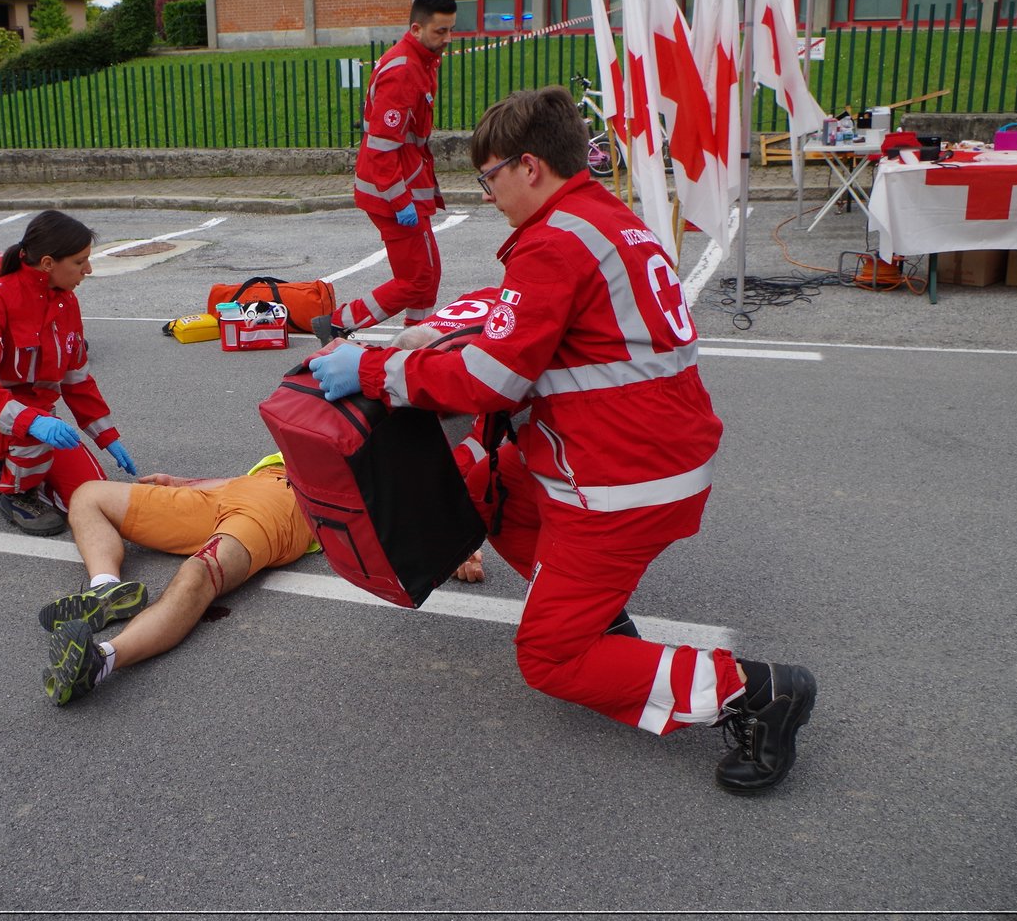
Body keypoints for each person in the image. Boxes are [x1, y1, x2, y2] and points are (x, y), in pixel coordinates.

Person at [308, 86, 817, 793]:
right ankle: (594, 615)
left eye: (488, 178)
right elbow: (523, 325)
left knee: (548, 658)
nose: (487, 195)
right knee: (490, 488)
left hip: (617, 479)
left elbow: (490, 380)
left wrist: (373, 366)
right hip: (643, 455)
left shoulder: (553, 243)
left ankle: (756, 693)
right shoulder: (604, 221)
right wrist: (429, 339)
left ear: (528, 167)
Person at [37, 454, 316, 705]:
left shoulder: (353, 430)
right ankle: (104, 587)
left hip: (282, 505)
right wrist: (185, 483)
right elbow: (248, 478)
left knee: (198, 573)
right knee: (89, 495)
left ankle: (100, 661)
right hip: (236, 491)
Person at [0, 210, 136, 536]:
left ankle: (25, 468)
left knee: (93, 495)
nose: (87, 270)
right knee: (33, 440)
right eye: (79, 262)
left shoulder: (66, 303)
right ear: (48, 263)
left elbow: (77, 379)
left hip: (37, 421)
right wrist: (31, 422)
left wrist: (108, 437)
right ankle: (16, 492)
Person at [312, 0, 457, 346]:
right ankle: (337, 322)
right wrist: (400, 200)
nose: (448, 39)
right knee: (416, 280)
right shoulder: (404, 71)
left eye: (451, 30)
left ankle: (415, 345)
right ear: (417, 28)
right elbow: (380, 148)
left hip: (402, 186)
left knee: (427, 276)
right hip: (393, 190)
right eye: (441, 31)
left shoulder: (419, 62)